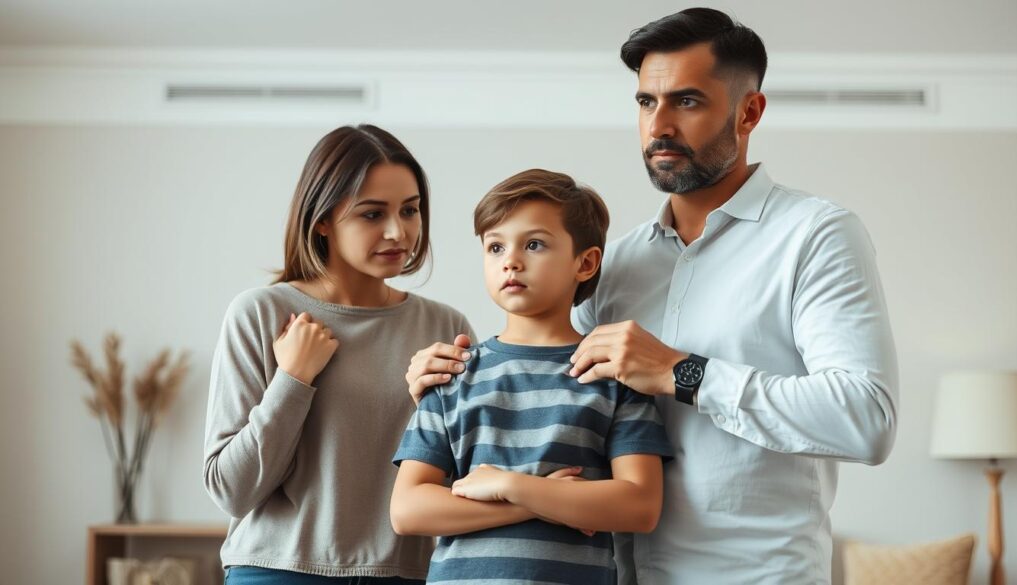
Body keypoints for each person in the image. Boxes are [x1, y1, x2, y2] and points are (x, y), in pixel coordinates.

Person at [405, 8, 899, 584]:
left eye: (686, 102)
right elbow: (553, 381)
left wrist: (683, 373)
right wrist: (439, 376)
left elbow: (868, 419)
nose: (658, 125)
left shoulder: (815, 235)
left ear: (749, 112)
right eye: (645, 102)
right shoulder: (614, 263)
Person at [203, 124, 475, 584]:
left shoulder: (444, 328)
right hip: (277, 571)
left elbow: (461, 480)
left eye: (410, 210)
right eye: (372, 214)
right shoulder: (261, 314)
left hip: (405, 573)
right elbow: (231, 490)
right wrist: (292, 379)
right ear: (322, 219)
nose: (398, 231)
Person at [390, 169, 674, 585]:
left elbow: (640, 506)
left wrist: (509, 484)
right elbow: (409, 509)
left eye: (535, 244)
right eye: (495, 247)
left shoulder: (611, 375)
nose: (511, 261)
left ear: (586, 262)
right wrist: (531, 502)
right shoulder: (453, 374)